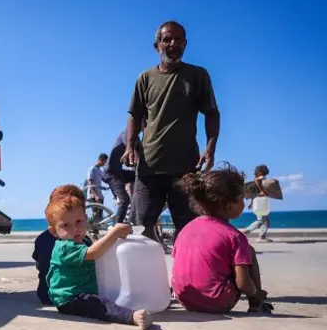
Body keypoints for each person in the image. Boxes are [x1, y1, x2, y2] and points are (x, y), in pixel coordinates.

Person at [123, 20, 221, 242]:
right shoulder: (145, 78)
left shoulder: (198, 76)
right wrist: (130, 145)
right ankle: (145, 276)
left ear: (185, 44)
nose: (173, 43)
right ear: (157, 45)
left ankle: (185, 276)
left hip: (185, 168)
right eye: (167, 39)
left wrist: (210, 147)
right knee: (141, 230)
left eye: (178, 39)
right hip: (149, 167)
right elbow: (134, 115)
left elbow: (212, 112)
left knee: (189, 231)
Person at [44, 184, 152, 330]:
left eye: (78, 222)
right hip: (70, 298)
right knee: (99, 305)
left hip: (86, 289)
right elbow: (93, 253)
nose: (75, 229)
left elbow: (100, 251)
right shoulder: (64, 248)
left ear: (86, 219)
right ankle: (131, 316)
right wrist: (113, 233)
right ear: (53, 231)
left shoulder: (84, 240)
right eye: (65, 225)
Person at [171, 164, 274, 314]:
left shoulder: (185, 229)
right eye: (241, 199)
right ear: (227, 205)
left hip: (185, 298)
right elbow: (242, 283)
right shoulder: (235, 236)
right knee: (248, 252)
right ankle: (256, 304)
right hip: (217, 301)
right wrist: (255, 292)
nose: (244, 204)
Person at [32, 185, 93, 305]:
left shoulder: (41, 239)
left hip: (44, 293)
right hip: (68, 296)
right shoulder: (80, 241)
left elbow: (39, 265)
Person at [103, 129, 141, 224]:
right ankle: (117, 227)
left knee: (139, 176)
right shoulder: (127, 134)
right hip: (111, 173)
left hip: (119, 172)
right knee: (125, 200)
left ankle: (135, 213)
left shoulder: (137, 138)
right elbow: (131, 149)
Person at [244, 165, 272, 242]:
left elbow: (255, 193)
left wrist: (251, 203)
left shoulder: (260, 179)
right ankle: (259, 236)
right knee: (262, 220)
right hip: (261, 202)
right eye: (265, 169)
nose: (267, 170)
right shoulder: (261, 178)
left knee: (263, 220)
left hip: (258, 202)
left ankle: (260, 235)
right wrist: (262, 190)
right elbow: (257, 181)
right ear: (260, 172)